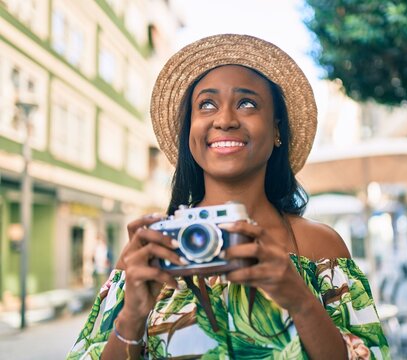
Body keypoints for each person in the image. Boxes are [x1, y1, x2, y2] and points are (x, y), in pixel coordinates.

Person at [67, 34, 389, 359]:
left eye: (247, 103)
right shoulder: (149, 255)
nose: (224, 120)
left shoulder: (320, 249)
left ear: (277, 129)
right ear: (189, 133)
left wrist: (300, 300)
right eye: (206, 104)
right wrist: (132, 317)